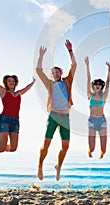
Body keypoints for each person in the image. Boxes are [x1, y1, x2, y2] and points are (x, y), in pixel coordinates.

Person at [36, 40, 77, 181]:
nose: (55, 73)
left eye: (57, 71)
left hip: (65, 117)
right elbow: (38, 71)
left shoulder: (67, 81)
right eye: (53, 72)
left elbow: (74, 65)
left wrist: (70, 51)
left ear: (61, 72)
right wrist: (41, 55)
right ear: (52, 74)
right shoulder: (50, 83)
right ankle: (40, 165)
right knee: (47, 142)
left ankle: (58, 166)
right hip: (53, 116)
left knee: (65, 146)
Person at [84, 56, 110, 159]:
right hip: (92, 120)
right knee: (91, 147)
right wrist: (87, 66)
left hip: (102, 120)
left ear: (101, 86)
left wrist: (109, 70)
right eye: (96, 84)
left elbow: (108, 83)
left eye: (99, 84)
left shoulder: (104, 97)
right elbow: (88, 79)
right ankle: (90, 152)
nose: (97, 85)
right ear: (93, 86)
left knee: (103, 147)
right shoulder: (89, 95)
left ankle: (102, 153)